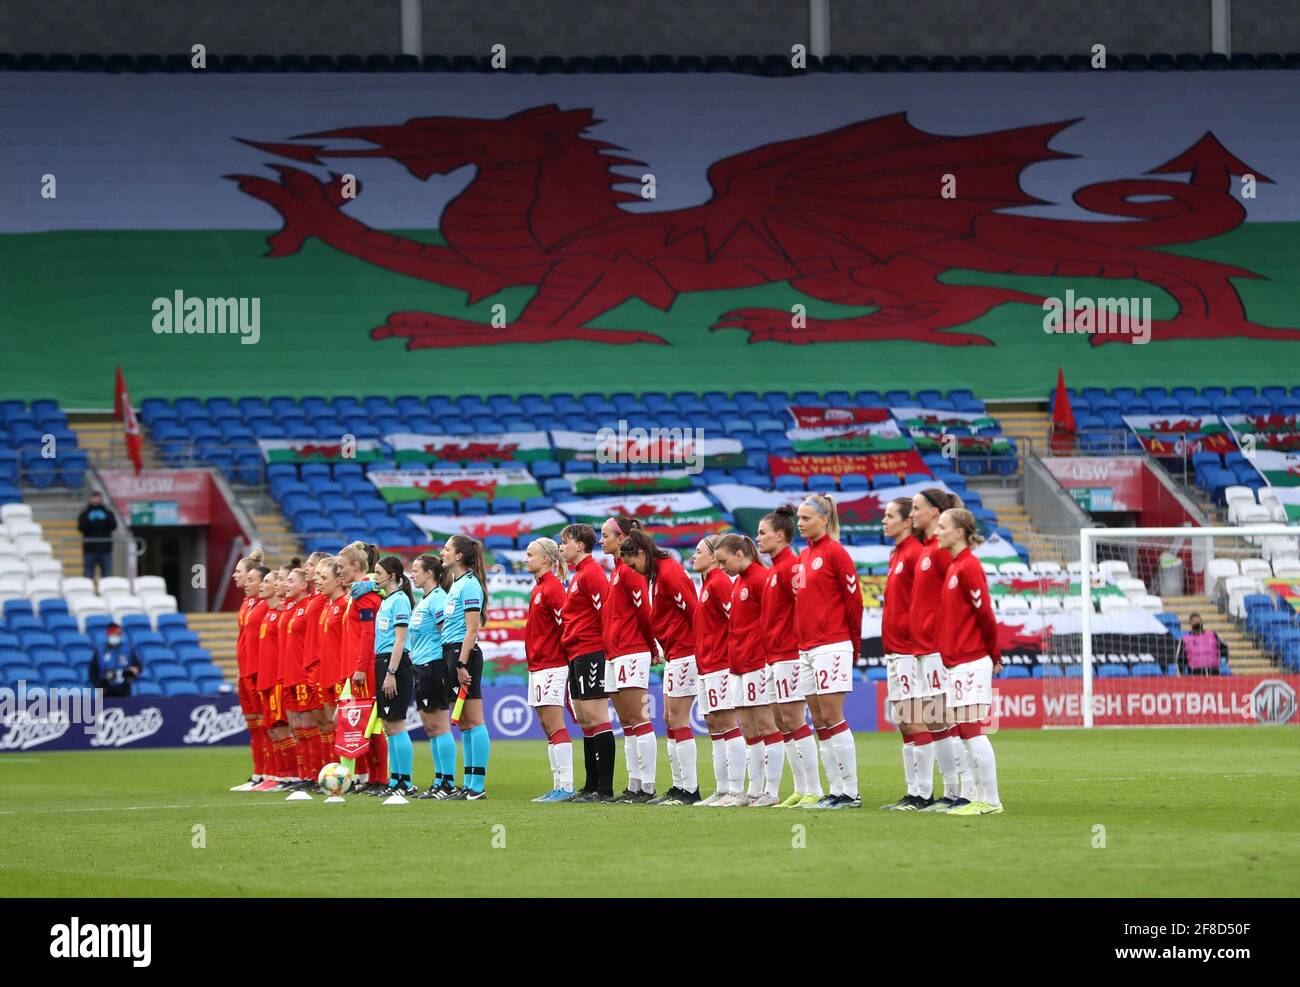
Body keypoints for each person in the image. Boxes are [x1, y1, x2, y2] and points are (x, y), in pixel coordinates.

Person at [619, 528, 701, 805]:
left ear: (641, 553)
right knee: (670, 720)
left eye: (633, 564)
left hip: (687, 652)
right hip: (675, 653)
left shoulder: (669, 573)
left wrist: (699, 650)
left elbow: (694, 612)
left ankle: (689, 790)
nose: (634, 571)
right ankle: (679, 787)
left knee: (678, 720)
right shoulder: (657, 575)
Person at [793, 494, 863, 809]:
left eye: (806, 518)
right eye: (798, 518)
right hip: (807, 648)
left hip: (832, 644)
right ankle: (834, 790)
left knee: (833, 717)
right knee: (819, 720)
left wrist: (854, 643)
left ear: (824, 519)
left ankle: (850, 791)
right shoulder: (803, 557)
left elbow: (854, 603)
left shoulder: (836, 554)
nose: (800, 524)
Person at [935, 508, 1004, 816]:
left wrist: (994, 653)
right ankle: (978, 797)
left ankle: (990, 801)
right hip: (958, 661)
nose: (937, 532)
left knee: (972, 729)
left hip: (973, 659)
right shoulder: (954, 566)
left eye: (942, 526)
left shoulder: (969, 566)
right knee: (964, 729)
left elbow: (985, 614)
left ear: (958, 532)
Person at [910, 488, 974, 812]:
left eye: (917, 508)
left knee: (949, 720)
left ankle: (966, 790)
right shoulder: (926, 550)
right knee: (935, 721)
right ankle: (951, 791)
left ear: (935, 512)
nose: (912, 514)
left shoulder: (940, 551)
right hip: (922, 648)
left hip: (938, 648)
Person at [756, 506, 823, 808]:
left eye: (762, 533)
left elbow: (805, 607)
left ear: (779, 536)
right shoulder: (775, 569)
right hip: (773, 656)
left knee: (795, 720)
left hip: (788, 654)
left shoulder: (791, 567)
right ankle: (799, 788)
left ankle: (814, 789)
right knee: (783, 722)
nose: (758, 538)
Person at [715, 533, 784, 806]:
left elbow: (771, 621)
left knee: (766, 726)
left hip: (757, 662)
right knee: (750, 729)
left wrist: (766, 658)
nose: (721, 568)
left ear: (740, 555)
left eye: (724, 561)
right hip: (739, 664)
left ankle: (772, 791)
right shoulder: (739, 582)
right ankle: (754, 791)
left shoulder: (760, 579)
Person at [600, 516, 658, 803]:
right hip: (614, 652)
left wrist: (652, 647)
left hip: (631, 649)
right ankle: (634, 784)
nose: (601, 540)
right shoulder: (616, 570)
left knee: (639, 719)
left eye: (605, 535)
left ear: (621, 539)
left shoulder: (630, 571)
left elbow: (644, 612)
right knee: (627, 722)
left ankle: (647, 787)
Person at [879, 497, 931, 810]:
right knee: (904, 722)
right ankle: (913, 792)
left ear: (907, 521)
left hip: (911, 650)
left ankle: (923, 794)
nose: (884, 521)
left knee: (915, 720)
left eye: (889, 516)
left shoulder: (914, 553)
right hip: (896, 650)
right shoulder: (897, 554)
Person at [558, 523, 614, 802]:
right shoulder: (579, 574)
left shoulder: (592, 573)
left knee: (597, 718)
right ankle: (591, 784)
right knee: (585, 720)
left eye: (564, 541)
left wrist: (606, 650)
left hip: (592, 651)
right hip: (577, 652)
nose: (561, 546)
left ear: (579, 545)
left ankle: (604, 788)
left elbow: (605, 611)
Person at [691, 535, 746, 807]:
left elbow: (735, 621)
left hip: (721, 664)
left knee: (727, 724)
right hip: (706, 665)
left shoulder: (720, 583)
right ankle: (722, 790)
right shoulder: (706, 584)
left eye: (699, 551)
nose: (693, 556)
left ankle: (736, 791)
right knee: (714, 726)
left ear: (714, 556)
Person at [523, 537, 574, 802]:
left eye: (530, 554)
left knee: (554, 724)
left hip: (552, 664)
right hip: (539, 665)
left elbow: (565, 627)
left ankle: (565, 786)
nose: (525, 558)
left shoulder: (553, 589)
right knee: (547, 725)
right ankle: (558, 784)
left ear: (545, 559)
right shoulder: (540, 588)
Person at [440, 535, 491, 800]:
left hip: (464, 654)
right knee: (466, 724)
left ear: (459, 556)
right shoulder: (457, 585)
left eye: (446, 549)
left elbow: (472, 630)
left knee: (474, 720)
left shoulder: (470, 585)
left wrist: (461, 662)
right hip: (452, 652)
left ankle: (477, 785)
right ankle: (469, 782)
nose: (442, 552)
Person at [338, 541, 388, 793]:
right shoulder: (360, 592)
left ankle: (380, 779)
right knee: (361, 723)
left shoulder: (366, 595)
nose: (339, 572)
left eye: (342, 567)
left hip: (365, 668)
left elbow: (368, 636)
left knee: (373, 723)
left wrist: (359, 668)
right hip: (356, 667)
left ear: (355, 566)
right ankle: (369, 777)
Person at [410, 553, 456, 800]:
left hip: (434, 666)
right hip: (421, 667)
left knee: (439, 726)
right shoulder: (424, 600)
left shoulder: (438, 599)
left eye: (416, 570)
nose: (412, 574)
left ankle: (447, 782)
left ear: (429, 573)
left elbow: (445, 633)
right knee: (430, 727)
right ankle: (439, 780)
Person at [372, 555, 417, 796]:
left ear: (391, 575)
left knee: (397, 723)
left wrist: (391, 672)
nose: (375, 577)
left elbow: (400, 640)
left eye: (378, 573)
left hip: (394, 664)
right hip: (383, 662)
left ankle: (405, 781)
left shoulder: (399, 601)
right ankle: (395, 780)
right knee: (389, 725)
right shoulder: (387, 600)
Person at [279, 561, 325, 791]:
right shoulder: (293, 607)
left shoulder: (310, 606)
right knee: (298, 728)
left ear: (304, 585)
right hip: (289, 675)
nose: (285, 585)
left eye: (290, 581)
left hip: (303, 673)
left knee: (311, 726)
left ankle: (317, 775)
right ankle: (305, 774)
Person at [253, 568, 299, 792]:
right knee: (271, 728)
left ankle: (290, 775)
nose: (263, 584)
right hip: (266, 679)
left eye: (271, 581)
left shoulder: (283, 613)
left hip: (279, 679)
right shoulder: (271, 613)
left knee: (282, 728)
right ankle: (278, 774)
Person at [230, 550, 268, 792]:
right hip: (245, 671)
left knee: (267, 726)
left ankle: (271, 773)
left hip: (258, 672)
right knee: (254, 726)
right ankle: (259, 773)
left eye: (239, 572)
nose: (235, 576)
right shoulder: (247, 603)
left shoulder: (265, 605)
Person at [88, 622, 141, 698]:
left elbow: (138, 665)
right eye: (114, 634)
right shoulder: (100, 651)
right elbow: (92, 671)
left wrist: (135, 669)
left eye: (118, 635)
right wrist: (98, 686)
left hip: (124, 689)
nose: (116, 637)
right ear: (109, 634)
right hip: (106, 690)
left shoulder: (127, 649)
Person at [77, 491, 118, 580]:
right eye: (94, 497)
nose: (96, 499)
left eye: (97, 497)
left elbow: (113, 525)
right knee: (88, 575)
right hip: (90, 549)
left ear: (101, 499)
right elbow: (80, 528)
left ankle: (106, 591)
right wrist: (89, 520)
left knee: (107, 575)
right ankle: (88, 592)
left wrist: (106, 518)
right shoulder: (84, 514)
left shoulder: (108, 513)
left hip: (105, 549)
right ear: (90, 499)